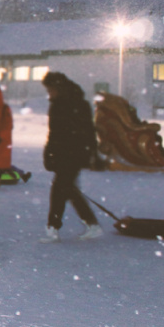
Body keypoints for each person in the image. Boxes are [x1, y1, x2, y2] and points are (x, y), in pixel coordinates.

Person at [40, 71, 102, 242]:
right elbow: (55, 134)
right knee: (67, 189)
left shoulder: (70, 105)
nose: (49, 93)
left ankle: (53, 227)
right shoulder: (73, 103)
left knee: (60, 190)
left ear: (58, 87)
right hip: (69, 153)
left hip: (72, 154)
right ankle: (91, 224)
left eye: (50, 89)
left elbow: (86, 131)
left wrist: (91, 153)